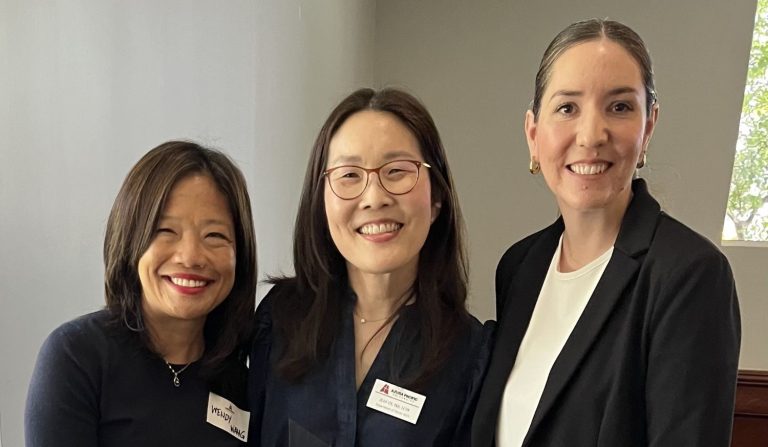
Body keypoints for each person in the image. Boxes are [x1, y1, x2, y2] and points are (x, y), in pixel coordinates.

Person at [472, 18, 741, 447]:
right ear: (533, 134)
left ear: (648, 127)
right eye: (567, 108)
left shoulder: (690, 275)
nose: (591, 135)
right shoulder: (519, 266)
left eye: (619, 107)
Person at [248, 88, 493, 446]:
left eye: (396, 171)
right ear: (322, 200)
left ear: (436, 198)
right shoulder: (281, 318)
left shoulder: (470, 354)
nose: (375, 197)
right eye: (349, 175)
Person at [25, 141, 258, 446]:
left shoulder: (243, 380)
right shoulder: (77, 357)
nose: (190, 257)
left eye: (214, 235)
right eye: (165, 231)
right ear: (130, 240)